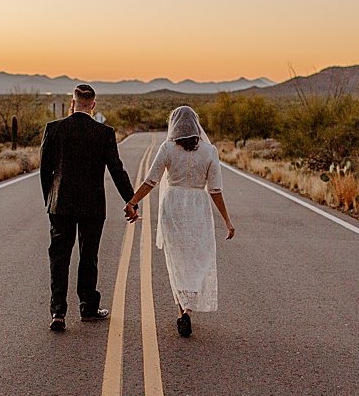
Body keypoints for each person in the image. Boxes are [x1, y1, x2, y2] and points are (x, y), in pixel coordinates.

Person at [127, 106, 234, 337]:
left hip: (173, 205)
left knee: (177, 258)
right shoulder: (209, 151)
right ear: (196, 126)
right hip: (198, 206)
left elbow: (151, 181)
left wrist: (133, 202)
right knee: (197, 256)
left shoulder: (167, 148)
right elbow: (215, 190)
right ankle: (188, 307)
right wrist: (227, 220)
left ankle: (182, 310)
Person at [40, 84, 138, 332]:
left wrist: (49, 199)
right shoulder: (104, 133)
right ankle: (87, 307)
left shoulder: (54, 129)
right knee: (88, 256)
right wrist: (131, 200)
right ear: (93, 105)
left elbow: (45, 171)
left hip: (60, 204)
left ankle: (58, 312)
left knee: (59, 258)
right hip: (92, 206)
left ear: (72, 103)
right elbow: (117, 169)